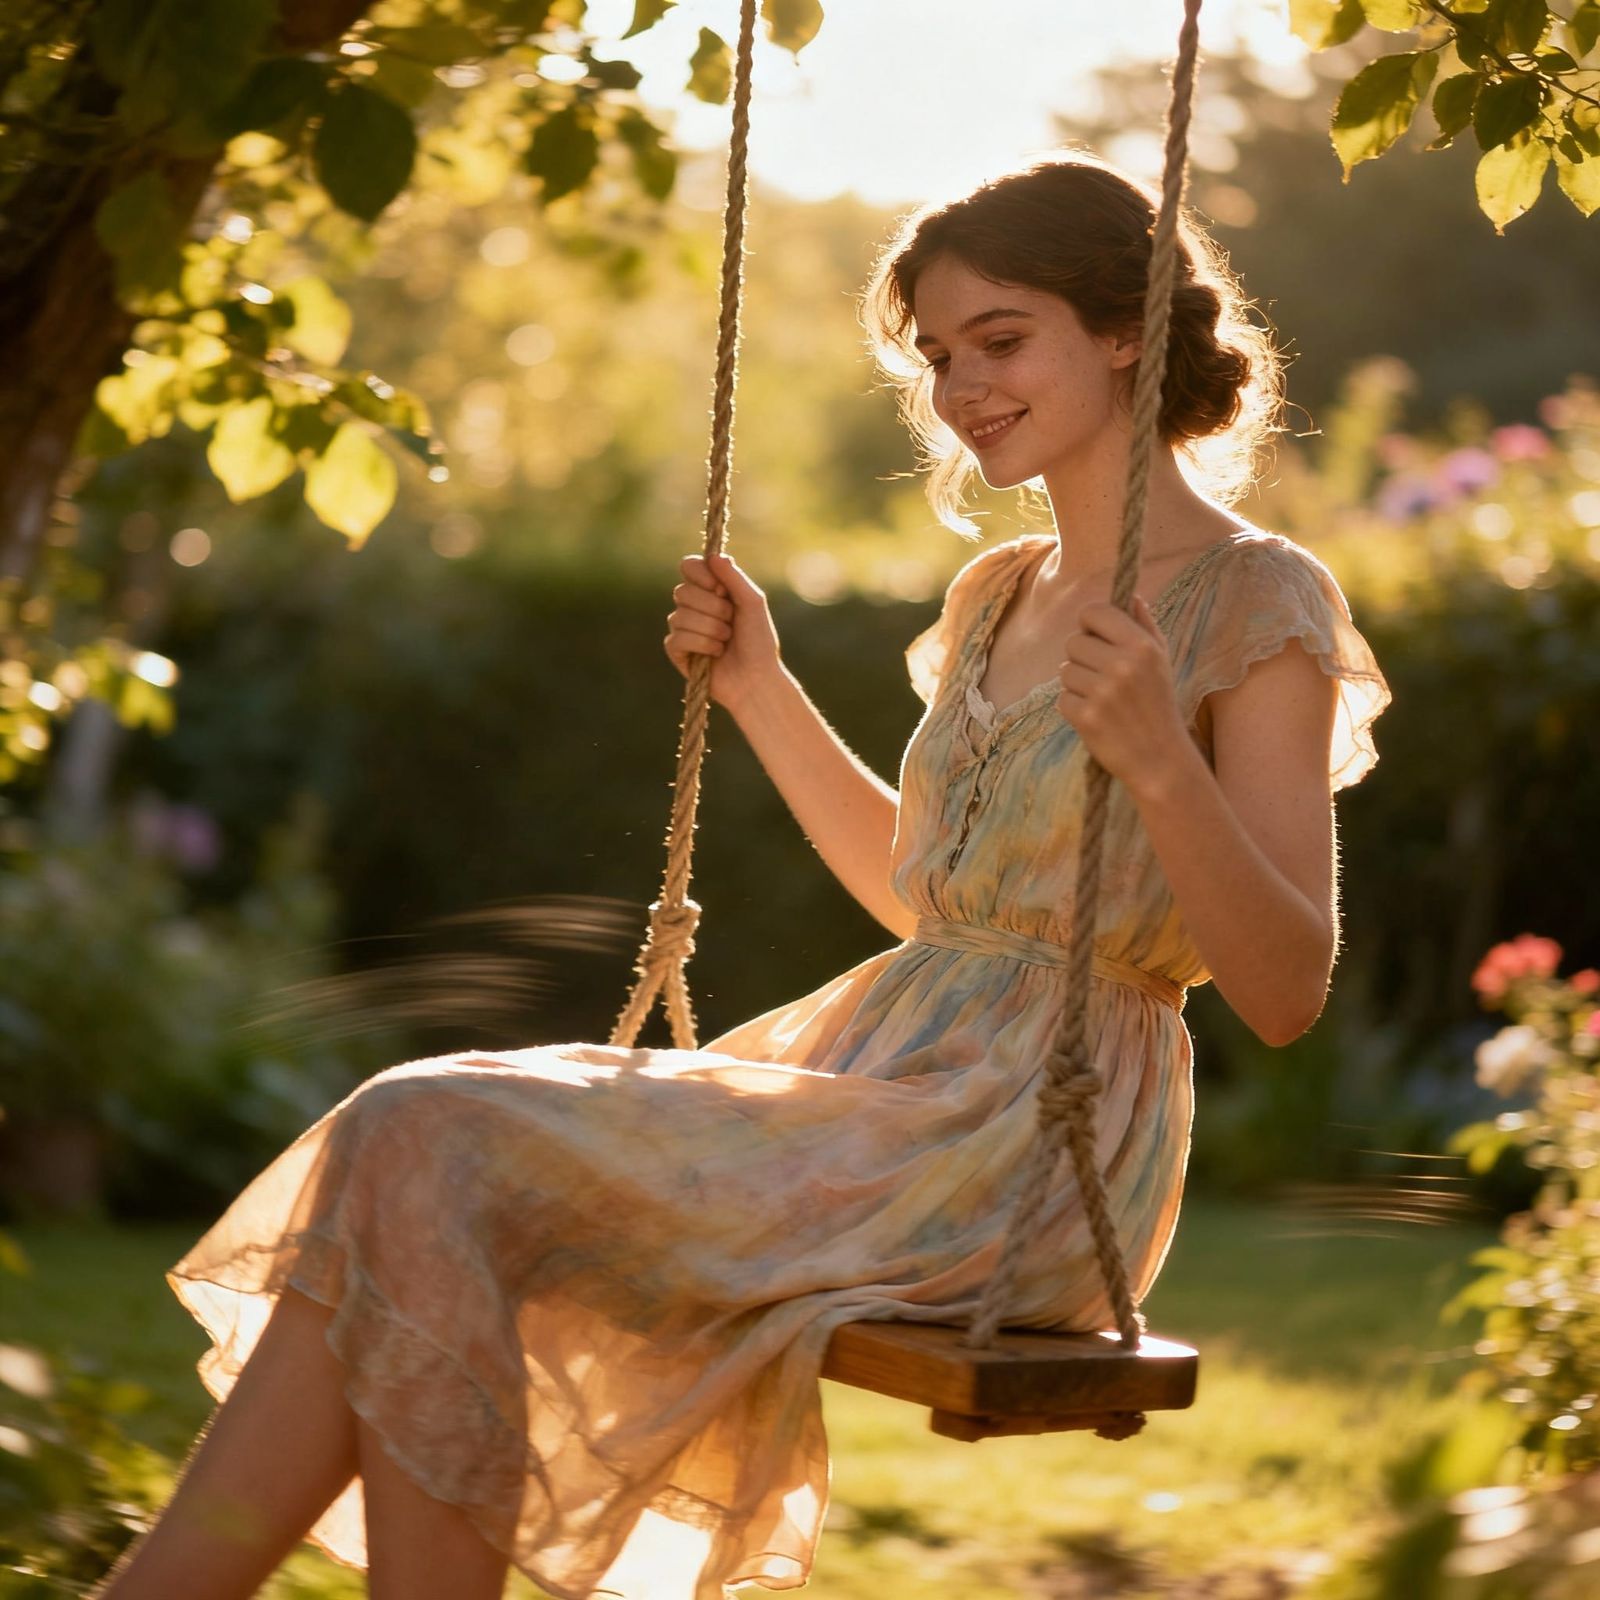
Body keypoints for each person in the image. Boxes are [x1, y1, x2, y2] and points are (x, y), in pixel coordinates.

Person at [98, 152, 1392, 1600]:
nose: (963, 386)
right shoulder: (998, 597)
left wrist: (1162, 759)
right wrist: (763, 687)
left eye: (1002, 339)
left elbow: (1285, 988)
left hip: (1034, 1147)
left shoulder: (1258, 597)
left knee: (427, 1129)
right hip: (893, 1081)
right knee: (413, 1143)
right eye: (941, 353)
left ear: (1126, 328)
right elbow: (940, 907)